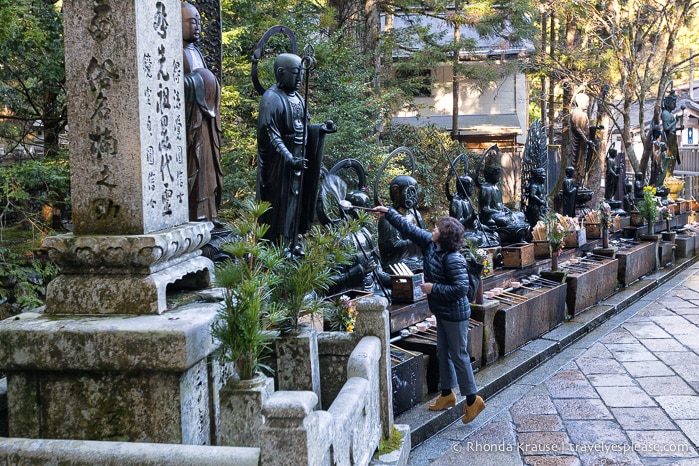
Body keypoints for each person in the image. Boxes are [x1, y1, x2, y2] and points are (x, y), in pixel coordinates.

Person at [373, 205, 486, 424]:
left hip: (455, 315)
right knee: (442, 352)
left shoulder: (453, 258)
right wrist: (388, 212)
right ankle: (447, 395)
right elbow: (409, 229)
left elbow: (461, 289)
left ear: (444, 237)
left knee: (459, 355)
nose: (432, 229)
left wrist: (433, 289)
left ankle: (473, 400)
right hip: (442, 312)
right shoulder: (430, 245)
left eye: (437, 228)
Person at [256, 53, 335, 244]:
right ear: (281, 73)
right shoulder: (271, 98)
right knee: (280, 205)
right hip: (279, 165)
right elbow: (270, 135)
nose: (300, 78)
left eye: (301, 73)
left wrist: (319, 130)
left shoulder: (298, 97)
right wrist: (289, 158)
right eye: (295, 73)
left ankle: (293, 239)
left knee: (296, 203)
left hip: (299, 159)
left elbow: (305, 127)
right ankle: (276, 244)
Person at [182, 2, 223, 225]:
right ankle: (196, 214)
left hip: (206, 120)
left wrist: (207, 81)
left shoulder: (196, 51)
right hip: (192, 122)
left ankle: (210, 213)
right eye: (191, 22)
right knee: (196, 165)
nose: (197, 27)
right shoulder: (175, 51)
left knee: (209, 166)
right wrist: (199, 81)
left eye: (199, 22)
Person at [377, 175, 425, 271]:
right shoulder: (388, 216)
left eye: (414, 191)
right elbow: (391, 247)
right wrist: (417, 239)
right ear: (396, 191)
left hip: (418, 260)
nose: (413, 196)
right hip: (399, 263)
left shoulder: (416, 214)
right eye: (409, 191)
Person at [478, 165, 531, 244]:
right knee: (504, 220)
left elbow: (501, 205)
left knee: (520, 215)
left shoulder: (497, 188)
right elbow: (485, 209)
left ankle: (517, 232)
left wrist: (506, 209)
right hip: (491, 215)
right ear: (490, 175)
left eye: (499, 175)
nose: (499, 177)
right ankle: (516, 233)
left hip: (501, 213)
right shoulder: (485, 188)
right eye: (497, 175)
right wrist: (500, 212)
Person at [448, 175, 499, 248]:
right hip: (463, 234)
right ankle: (482, 257)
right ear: (463, 187)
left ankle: (490, 257)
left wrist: (487, 228)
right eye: (470, 186)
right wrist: (471, 218)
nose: (472, 189)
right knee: (477, 240)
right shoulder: (456, 202)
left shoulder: (468, 200)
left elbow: (476, 224)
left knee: (495, 235)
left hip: (474, 232)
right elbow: (457, 225)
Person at [661, 89, 682, 177]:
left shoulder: (670, 114)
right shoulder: (665, 113)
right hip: (668, 138)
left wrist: (679, 128)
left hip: (672, 137)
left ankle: (670, 174)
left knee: (673, 158)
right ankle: (667, 176)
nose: (675, 105)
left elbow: (672, 128)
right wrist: (675, 121)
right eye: (673, 103)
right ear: (668, 103)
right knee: (669, 158)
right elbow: (666, 128)